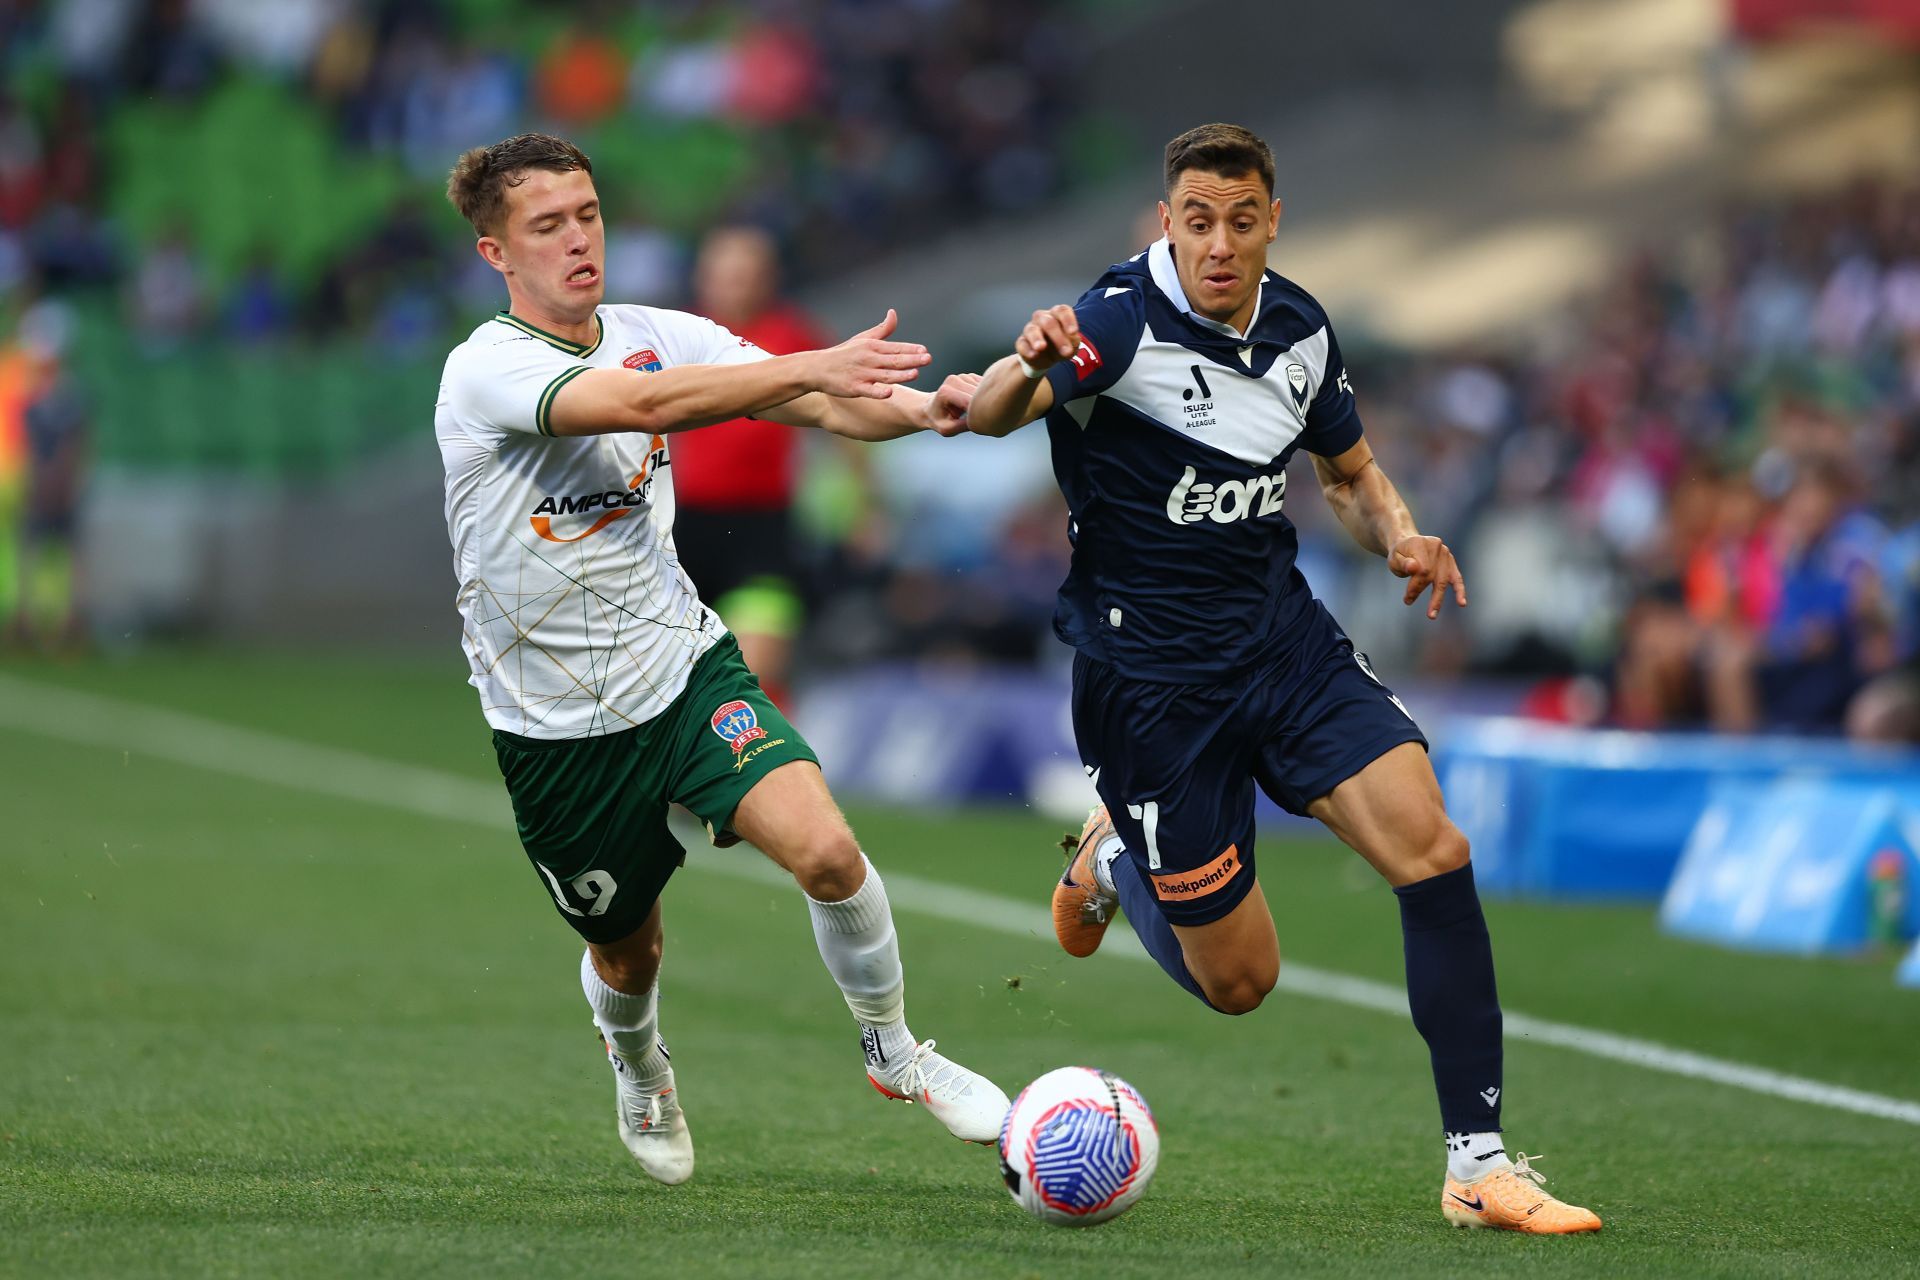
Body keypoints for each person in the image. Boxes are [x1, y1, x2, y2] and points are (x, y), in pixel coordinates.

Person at [939, 123, 1600, 1233]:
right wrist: (1028, 360)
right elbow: (997, 412)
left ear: (1272, 221)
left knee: (1432, 847)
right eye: (1197, 220)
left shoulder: (1299, 326)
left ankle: (1478, 1162)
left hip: (1281, 642)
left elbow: (1347, 471)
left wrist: (1397, 531)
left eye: (1242, 221)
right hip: (1151, 685)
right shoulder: (1111, 319)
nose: (1220, 243)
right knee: (1241, 980)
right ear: (1167, 222)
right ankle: (1115, 858)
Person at [434, 133, 1007, 1187]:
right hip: (554, 726)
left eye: (589, 214)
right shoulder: (486, 368)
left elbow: (827, 402)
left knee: (829, 852)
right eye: (547, 225)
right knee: (628, 949)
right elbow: (644, 406)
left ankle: (895, 1049)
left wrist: (930, 411)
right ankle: (639, 1055)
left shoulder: (662, 330)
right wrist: (807, 363)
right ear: (495, 253)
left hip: (681, 665)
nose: (577, 240)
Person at [673, 225, 831, 708]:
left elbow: (843, 415)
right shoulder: (678, 336)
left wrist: (869, 506)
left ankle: (777, 772)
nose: (732, 286)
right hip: (681, 529)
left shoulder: (793, 334)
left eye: (745, 275)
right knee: (675, 685)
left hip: (762, 529)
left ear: (768, 278)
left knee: (754, 679)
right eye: (722, 275)